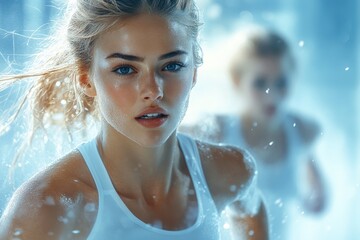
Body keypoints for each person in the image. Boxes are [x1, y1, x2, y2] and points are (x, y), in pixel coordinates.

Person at [0, 1, 268, 239]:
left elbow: (251, 210)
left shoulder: (228, 172)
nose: (153, 91)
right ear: (86, 79)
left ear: (194, 71)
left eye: (172, 65)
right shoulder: (51, 206)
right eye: (125, 69)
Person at [181, 27, 326, 239]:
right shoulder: (218, 129)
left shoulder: (302, 131)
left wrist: (313, 201)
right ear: (238, 81)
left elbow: (318, 201)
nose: (272, 95)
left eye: (281, 82)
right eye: (260, 83)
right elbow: (168, 140)